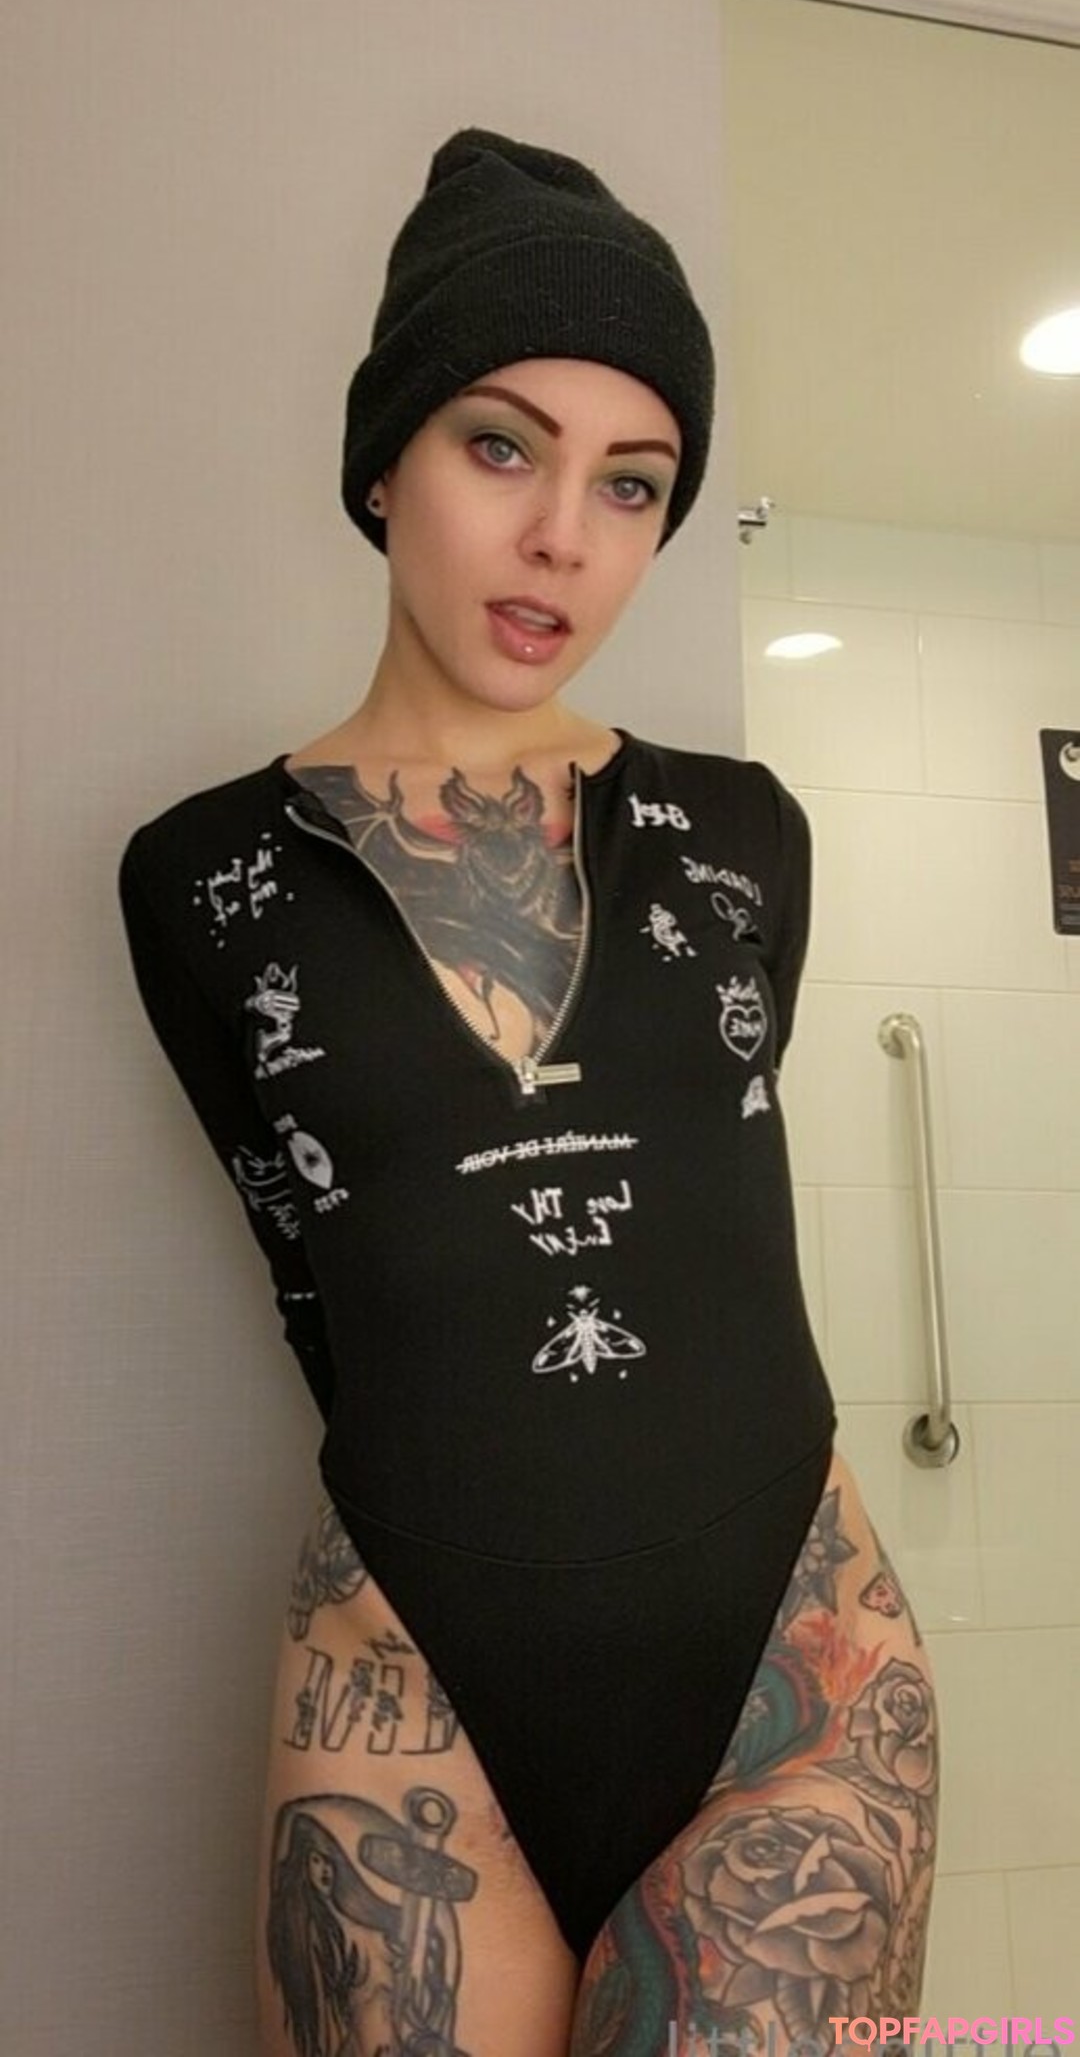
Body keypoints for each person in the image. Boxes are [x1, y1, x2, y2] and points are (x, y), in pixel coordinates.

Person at [118, 127, 938, 2057]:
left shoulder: (744, 835)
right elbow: (314, 1271)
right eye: (502, 446)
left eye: (631, 482)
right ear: (382, 461)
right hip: (409, 1698)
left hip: (794, 1681)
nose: (566, 534)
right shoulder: (197, 878)